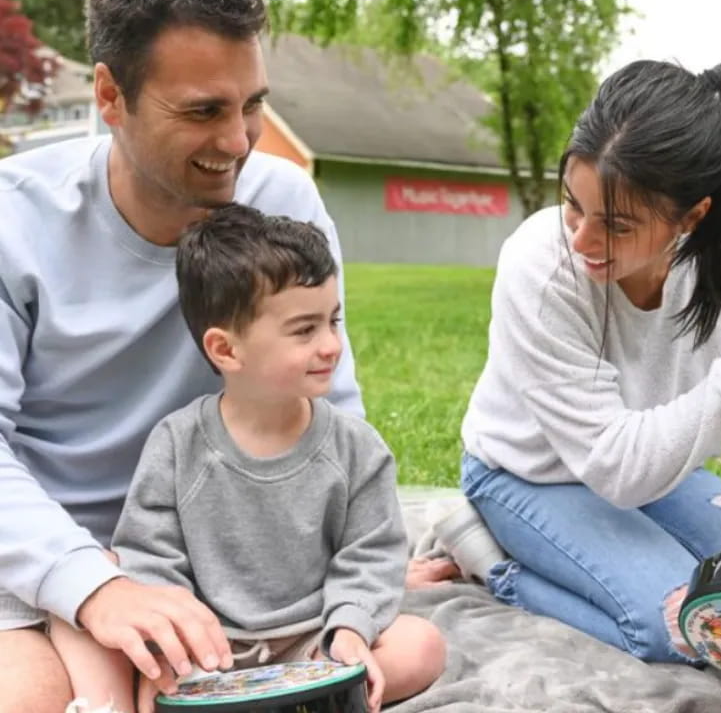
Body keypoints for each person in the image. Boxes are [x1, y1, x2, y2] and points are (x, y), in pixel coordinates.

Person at [0, 0, 366, 710]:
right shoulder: (17, 219)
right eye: (203, 111)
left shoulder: (284, 202)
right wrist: (95, 586)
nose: (238, 142)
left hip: (215, 558)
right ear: (111, 96)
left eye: (252, 104)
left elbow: (328, 408)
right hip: (36, 548)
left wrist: (354, 556)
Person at [457, 60, 721, 664]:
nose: (582, 240)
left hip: (655, 470)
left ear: (693, 216)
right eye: (573, 204)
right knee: (680, 628)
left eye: (616, 224)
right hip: (529, 474)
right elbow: (616, 464)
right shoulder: (541, 267)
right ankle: (487, 560)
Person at [51, 205, 446, 713]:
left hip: (314, 643)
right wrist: (176, 650)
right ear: (226, 350)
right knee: (86, 612)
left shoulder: (357, 447)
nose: (331, 345)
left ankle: (309, 697)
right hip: (207, 653)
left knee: (421, 644)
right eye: (304, 330)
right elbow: (151, 556)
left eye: (333, 321)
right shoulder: (177, 444)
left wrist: (350, 629)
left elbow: (370, 555)